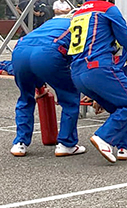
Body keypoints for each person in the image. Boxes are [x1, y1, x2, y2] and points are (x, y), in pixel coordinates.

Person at [68, 0, 127, 163]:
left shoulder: (77, 13)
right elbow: (126, 36)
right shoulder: (107, 9)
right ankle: (103, 137)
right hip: (99, 67)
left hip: (77, 72)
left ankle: (124, 147)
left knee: (118, 105)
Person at [9, 15, 85, 158]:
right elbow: (78, 57)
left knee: (25, 97)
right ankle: (66, 144)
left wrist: (39, 84)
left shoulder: (51, 22)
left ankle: (20, 143)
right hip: (49, 52)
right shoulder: (80, 24)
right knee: (70, 97)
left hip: (20, 51)